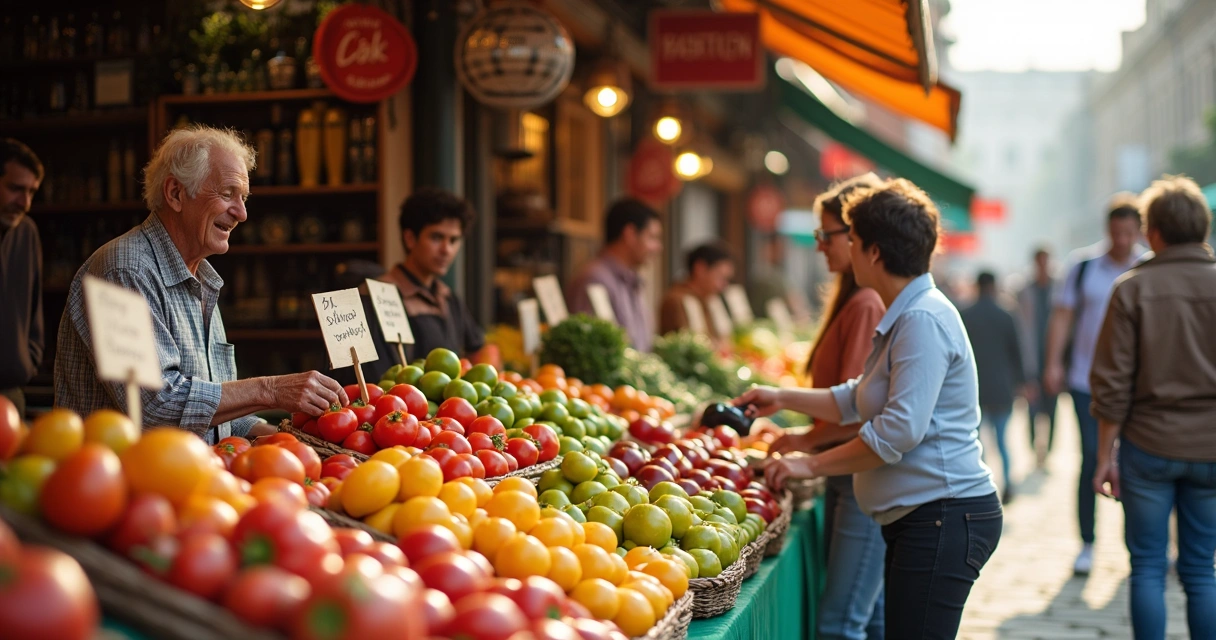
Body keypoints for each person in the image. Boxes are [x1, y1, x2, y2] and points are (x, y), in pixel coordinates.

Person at [738, 178, 1001, 638]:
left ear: (875, 252)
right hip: (923, 516)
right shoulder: (906, 312)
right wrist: (781, 397)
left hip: (942, 515)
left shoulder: (921, 319)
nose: (848, 252)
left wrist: (810, 463)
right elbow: (857, 396)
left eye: (853, 241)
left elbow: (896, 433)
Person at [55, 125, 347, 444]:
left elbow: (213, 415)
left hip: (191, 480)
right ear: (176, 194)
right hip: (123, 487)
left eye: (244, 198)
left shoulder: (200, 277)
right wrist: (271, 390)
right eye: (227, 194)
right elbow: (156, 407)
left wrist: (294, 439)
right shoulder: (124, 271)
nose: (242, 214)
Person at [1090, 176, 1216, 640]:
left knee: (1146, 566)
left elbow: (1112, 382)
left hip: (1148, 444)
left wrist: (1106, 455)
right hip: (1211, 449)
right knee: (1203, 570)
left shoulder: (1131, 289)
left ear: (1154, 231)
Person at [769, 174, 886, 640]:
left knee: (842, 623)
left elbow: (856, 407)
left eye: (827, 234)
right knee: (867, 613)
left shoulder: (865, 304)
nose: (820, 245)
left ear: (858, 237)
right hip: (851, 476)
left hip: (859, 478)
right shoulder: (852, 299)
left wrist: (804, 447)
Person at [1042, 194, 1147, 576]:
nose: (1121, 241)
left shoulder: (1148, 266)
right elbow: (1063, 317)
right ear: (1108, 230)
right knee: (1090, 458)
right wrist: (1053, 362)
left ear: (1139, 232)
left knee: (1135, 463)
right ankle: (1087, 542)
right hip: (1087, 380)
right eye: (1116, 233)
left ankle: (1138, 544)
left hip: (1139, 386)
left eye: (1129, 233)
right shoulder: (1083, 267)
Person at [375, 187, 484, 361]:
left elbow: (478, 350)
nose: (446, 250)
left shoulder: (447, 297)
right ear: (410, 238)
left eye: (454, 240)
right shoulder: (379, 296)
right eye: (436, 237)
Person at [960, 271, 1026, 503]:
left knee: (976, 442)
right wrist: (1022, 382)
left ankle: (981, 485)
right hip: (1001, 388)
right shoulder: (1006, 315)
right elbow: (1017, 353)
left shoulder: (965, 315)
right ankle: (1008, 485)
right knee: (1002, 441)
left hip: (973, 390)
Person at [568, 198, 662, 352]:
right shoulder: (594, 279)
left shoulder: (630, 279)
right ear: (630, 234)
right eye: (652, 237)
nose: (658, 247)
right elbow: (590, 351)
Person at [0, 139, 44, 418]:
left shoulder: (27, 232)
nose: (25, 203)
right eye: (15, 189)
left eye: (31, 192)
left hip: (12, 392)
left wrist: (27, 360)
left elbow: (34, 309)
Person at [1016, 247, 1058, 468]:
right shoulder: (1024, 291)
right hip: (1032, 361)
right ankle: (1034, 449)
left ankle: (1047, 451)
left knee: (1052, 411)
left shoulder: (1058, 289)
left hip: (1052, 360)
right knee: (1032, 411)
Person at [658, 243, 734, 340]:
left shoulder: (708, 299)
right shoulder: (677, 300)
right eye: (720, 277)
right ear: (700, 268)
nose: (724, 285)